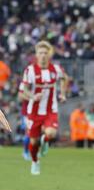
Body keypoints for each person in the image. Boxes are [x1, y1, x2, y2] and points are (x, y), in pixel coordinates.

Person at [18, 41, 68, 175]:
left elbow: (64, 78)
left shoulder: (55, 69)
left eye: (46, 53)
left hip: (50, 109)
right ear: (36, 55)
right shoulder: (30, 70)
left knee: (51, 133)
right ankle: (35, 161)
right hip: (33, 111)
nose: (43, 55)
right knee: (33, 142)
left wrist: (62, 94)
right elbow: (23, 91)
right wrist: (33, 96)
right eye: (40, 53)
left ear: (49, 55)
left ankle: (45, 141)